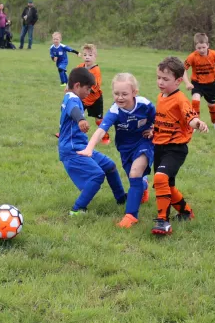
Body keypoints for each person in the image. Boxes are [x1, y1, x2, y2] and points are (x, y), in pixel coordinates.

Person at [77, 73, 155, 228]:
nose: (120, 97)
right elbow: (101, 130)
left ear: (134, 92)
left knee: (135, 173)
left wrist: (154, 129)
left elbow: (160, 119)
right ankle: (144, 186)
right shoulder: (114, 111)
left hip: (144, 143)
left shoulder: (145, 105)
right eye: (116, 94)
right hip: (125, 150)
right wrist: (89, 148)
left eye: (124, 94)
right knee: (135, 178)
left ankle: (131, 216)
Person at [151, 57, 208, 235]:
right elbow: (164, 119)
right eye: (159, 77)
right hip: (159, 147)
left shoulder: (181, 99)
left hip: (175, 148)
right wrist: (153, 129)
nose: (160, 82)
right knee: (168, 185)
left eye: (165, 79)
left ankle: (163, 221)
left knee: (160, 178)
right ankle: (185, 212)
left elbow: (190, 117)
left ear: (178, 81)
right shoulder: (161, 96)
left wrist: (198, 123)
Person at [59, 67, 126, 215]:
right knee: (96, 175)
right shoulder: (73, 99)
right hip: (72, 150)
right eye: (88, 89)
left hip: (81, 146)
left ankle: (121, 198)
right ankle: (77, 209)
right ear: (77, 86)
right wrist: (81, 119)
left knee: (109, 165)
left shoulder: (69, 96)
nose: (89, 92)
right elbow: (74, 110)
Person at [182, 32, 215, 130]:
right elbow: (183, 69)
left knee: (212, 105)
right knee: (195, 101)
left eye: (203, 47)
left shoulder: (214, 54)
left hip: (211, 84)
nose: (201, 50)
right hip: (197, 84)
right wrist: (187, 83)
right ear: (195, 47)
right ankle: (195, 124)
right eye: (199, 48)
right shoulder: (192, 56)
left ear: (208, 45)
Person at [76, 44, 110, 144]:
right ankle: (67, 134)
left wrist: (83, 90)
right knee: (75, 116)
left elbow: (95, 86)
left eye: (90, 55)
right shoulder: (80, 67)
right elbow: (74, 77)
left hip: (95, 99)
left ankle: (105, 136)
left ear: (95, 57)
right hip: (82, 98)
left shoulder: (96, 70)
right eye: (85, 55)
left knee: (98, 120)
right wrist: (70, 86)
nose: (87, 57)